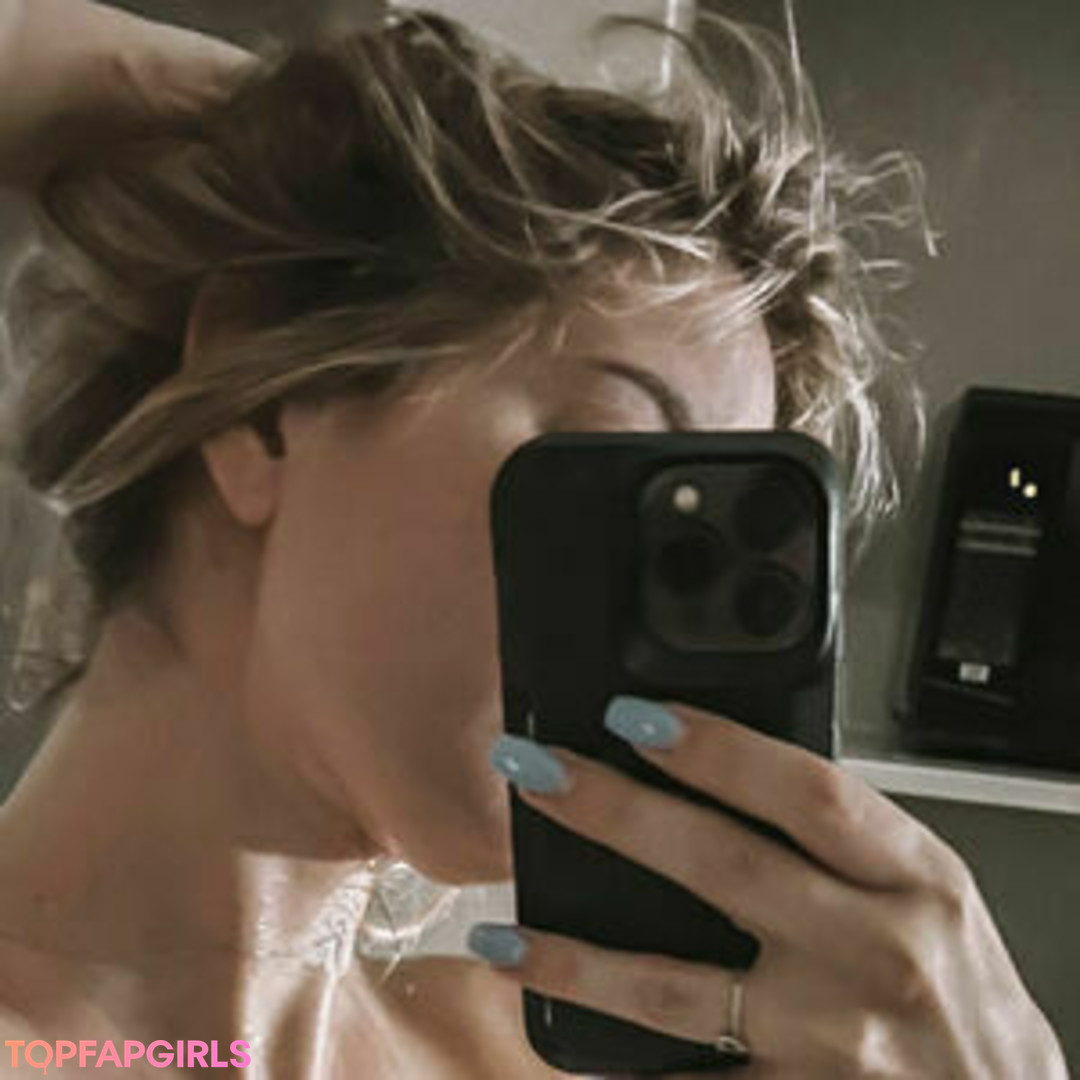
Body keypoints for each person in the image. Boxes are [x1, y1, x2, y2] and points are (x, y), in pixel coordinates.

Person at [0, 2, 1069, 1077]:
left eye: (695, 547)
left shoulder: (585, 1055)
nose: (650, 629)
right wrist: (311, 132)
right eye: (609, 460)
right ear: (268, 411)